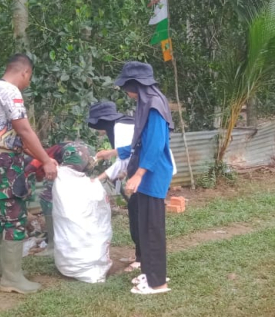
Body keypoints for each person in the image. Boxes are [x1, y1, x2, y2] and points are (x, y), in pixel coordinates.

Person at [0, 53, 58, 294]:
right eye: (30, 77)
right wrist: (46, 160)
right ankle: (12, 278)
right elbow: (23, 129)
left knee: (1, 214)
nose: (28, 82)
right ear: (25, 72)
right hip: (5, 162)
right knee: (15, 215)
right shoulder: (11, 91)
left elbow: (8, 135)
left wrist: (38, 156)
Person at [96, 62, 174, 295]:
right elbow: (138, 143)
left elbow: (155, 145)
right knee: (144, 226)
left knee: (152, 229)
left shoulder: (154, 106)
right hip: (145, 173)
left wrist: (139, 174)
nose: (124, 91)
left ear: (135, 84)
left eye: (126, 86)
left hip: (152, 175)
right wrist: (112, 153)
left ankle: (158, 283)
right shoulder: (147, 102)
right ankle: (150, 274)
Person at [86, 101, 140, 271]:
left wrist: (99, 176)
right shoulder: (120, 126)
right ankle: (140, 255)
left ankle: (142, 259)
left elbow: (129, 152)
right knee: (136, 212)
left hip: (144, 176)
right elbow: (124, 159)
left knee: (140, 216)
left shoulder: (121, 127)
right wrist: (123, 170)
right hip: (139, 173)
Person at [33, 140, 96, 255]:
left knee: (47, 198)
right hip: (89, 152)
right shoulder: (50, 153)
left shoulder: (35, 162)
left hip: (75, 154)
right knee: (74, 195)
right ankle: (77, 238)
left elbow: (34, 176)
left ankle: (52, 246)